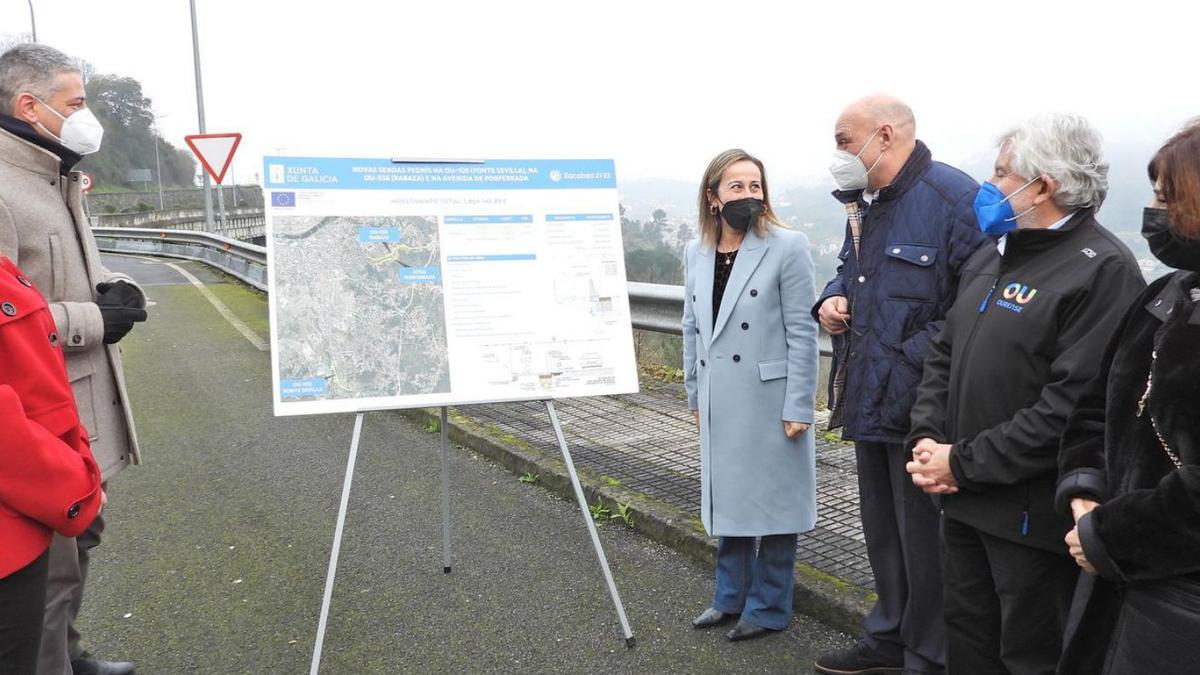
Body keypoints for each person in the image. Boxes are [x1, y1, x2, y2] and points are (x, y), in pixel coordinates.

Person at [905, 113, 1145, 674]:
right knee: (968, 644)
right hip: (960, 499)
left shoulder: (1101, 270)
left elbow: (1070, 409)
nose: (989, 188)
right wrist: (927, 438)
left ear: (1044, 185)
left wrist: (960, 462)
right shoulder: (993, 254)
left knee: (1029, 656)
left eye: (1002, 174)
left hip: (1027, 518)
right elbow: (945, 352)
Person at [812, 95, 989, 675]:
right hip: (869, 393)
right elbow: (853, 269)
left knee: (926, 542)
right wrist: (833, 297)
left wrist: (903, 357)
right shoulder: (866, 203)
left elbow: (972, 309)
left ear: (883, 135)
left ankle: (928, 655)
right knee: (883, 532)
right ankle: (887, 638)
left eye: (844, 140)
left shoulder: (953, 199)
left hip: (923, 405)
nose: (838, 153)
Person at [0, 43, 146, 675]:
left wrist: (113, 284)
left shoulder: (54, 174)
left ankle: (71, 655)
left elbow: (67, 269)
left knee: (81, 543)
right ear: (28, 106)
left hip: (83, 406)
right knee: (48, 567)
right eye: (76, 103)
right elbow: (9, 318)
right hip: (37, 422)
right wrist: (95, 319)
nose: (88, 117)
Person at [1056, 120, 1200, 674]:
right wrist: (1084, 490)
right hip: (1117, 584)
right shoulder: (1166, 295)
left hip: (1181, 606)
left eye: (1169, 197)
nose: (1154, 212)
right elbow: (1096, 406)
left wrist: (1110, 534)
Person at [682, 148, 819, 642]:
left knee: (778, 505)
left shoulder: (788, 245)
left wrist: (800, 403)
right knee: (730, 500)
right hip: (720, 396)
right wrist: (694, 396)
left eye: (754, 186)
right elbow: (691, 328)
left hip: (771, 396)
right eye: (736, 186)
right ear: (713, 196)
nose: (747, 195)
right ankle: (729, 597)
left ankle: (768, 607)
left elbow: (803, 332)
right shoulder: (696, 251)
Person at [0, 251, 104, 675]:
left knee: (58, 589)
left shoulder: (62, 188)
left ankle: (70, 657)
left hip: (39, 493)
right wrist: (71, 482)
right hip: (27, 498)